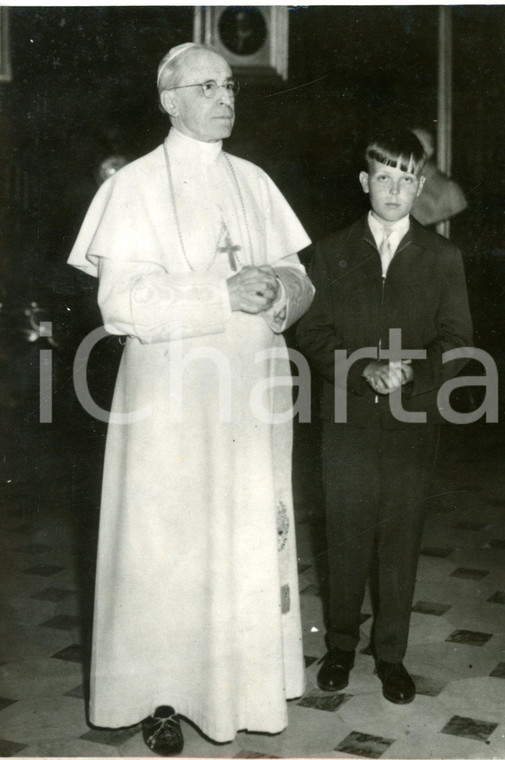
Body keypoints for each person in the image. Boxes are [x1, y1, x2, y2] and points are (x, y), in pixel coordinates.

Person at [68, 42, 314, 756]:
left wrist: (279, 292)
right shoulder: (134, 188)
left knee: (239, 541)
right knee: (167, 551)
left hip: (249, 396)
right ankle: (162, 698)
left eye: (229, 84)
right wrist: (221, 292)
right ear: (168, 100)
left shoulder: (254, 180)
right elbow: (122, 303)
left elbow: (298, 273)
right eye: (206, 86)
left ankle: (241, 687)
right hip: (171, 406)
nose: (224, 96)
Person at [296, 127, 472, 704]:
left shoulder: (443, 257)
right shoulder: (330, 250)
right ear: (364, 182)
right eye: (384, 178)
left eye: (406, 179)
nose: (395, 190)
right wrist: (357, 371)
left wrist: (413, 374)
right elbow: (313, 331)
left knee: (399, 536)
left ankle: (390, 655)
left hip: (412, 420)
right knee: (345, 533)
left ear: (419, 185)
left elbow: (456, 339)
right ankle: (342, 645)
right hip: (346, 417)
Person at [410, 127, 468, 227]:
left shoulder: (449, 188)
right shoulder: (400, 183)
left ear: (430, 151)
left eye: (417, 145)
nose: (410, 151)